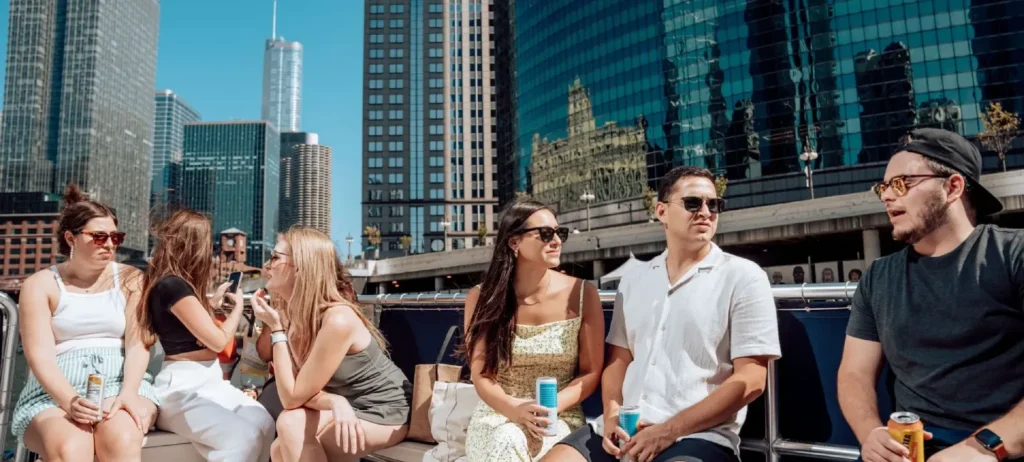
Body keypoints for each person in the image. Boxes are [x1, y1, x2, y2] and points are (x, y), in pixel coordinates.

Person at [543, 166, 781, 462]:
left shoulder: (744, 277)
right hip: (623, 430)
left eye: (714, 204)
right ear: (661, 211)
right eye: (693, 203)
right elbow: (619, 361)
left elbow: (752, 378)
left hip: (696, 437)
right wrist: (613, 413)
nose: (706, 211)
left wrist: (668, 430)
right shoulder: (634, 280)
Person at [838, 128, 1024, 462]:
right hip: (908, 448)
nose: (887, 197)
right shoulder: (878, 277)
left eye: (901, 183)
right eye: (883, 187)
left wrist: (983, 447)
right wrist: (871, 434)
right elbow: (854, 374)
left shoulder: (1014, 254)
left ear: (952, 186)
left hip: (998, 448)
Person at [11, 184, 160, 461]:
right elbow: (39, 356)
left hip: (122, 382)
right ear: (71, 237)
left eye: (116, 237)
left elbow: (138, 343)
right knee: (70, 448)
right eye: (99, 237)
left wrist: (128, 392)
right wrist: (69, 400)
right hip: (54, 391)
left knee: (121, 438)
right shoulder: (40, 285)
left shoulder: (131, 280)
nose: (110, 244)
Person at [250, 226, 412, 462]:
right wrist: (334, 401)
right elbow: (295, 393)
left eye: (275, 257)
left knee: (284, 441)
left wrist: (277, 329)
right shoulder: (292, 314)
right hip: (346, 404)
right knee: (286, 432)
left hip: (385, 409)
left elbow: (292, 397)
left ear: (302, 266)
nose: (267, 264)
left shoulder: (338, 319)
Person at [462, 199, 605, 461]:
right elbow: (481, 375)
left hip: (559, 416)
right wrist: (515, 408)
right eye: (545, 234)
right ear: (514, 242)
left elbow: (590, 372)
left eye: (559, 233)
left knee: (512, 441)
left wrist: (548, 409)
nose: (557, 241)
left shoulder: (584, 294)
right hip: (498, 414)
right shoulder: (483, 298)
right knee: (506, 438)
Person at [139, 209, 275, 461]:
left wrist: (211, 305)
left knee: (264, 424)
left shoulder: (179, 285)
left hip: (208, 381)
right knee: (241, 438)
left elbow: (189, 328)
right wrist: (235, 310)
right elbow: (218, 341)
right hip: (182, 388)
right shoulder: (172, 285)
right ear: (193, 245)